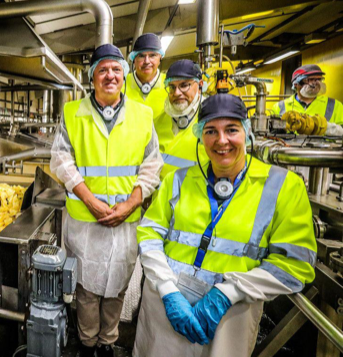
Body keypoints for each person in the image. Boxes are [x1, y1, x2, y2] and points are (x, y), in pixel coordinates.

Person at [134, 93, 316, 357]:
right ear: (200, 136)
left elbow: (296, 264)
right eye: (210, 131)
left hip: (230, 316)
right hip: (164, 311)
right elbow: (149, 234)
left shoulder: (283, 187)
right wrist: (167, 290)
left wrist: (228, 292)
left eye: (231, 129)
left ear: (247, 131)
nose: (221, 141)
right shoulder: (178, 180)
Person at [50, 44, 162, 357]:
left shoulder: (143, 115)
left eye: (115, 69)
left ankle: (107, 343)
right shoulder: (73, 113)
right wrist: (88, 199)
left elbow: (152, 164)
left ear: (124, 76)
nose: (109, 75)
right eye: (103, 70)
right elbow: (60, 159)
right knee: (86, 288)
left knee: (117, 287)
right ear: (93, 77)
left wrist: (132, 204)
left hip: (126, 220)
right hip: (86, 221)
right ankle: (87, 344)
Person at [154, 59, 208, 180]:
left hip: (197, 195)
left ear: (200, 85)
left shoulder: (211, 120)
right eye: (172, 87)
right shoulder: (158, 123)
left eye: (184, 85)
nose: (177, 93)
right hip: (162, 197)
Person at [269, 64, 343, 135]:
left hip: (325, 148)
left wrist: (320, 126)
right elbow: (271, 133)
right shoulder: (279, 106)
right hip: (288, 147)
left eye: (319, 79)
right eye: (310, 80)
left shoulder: (335, 105)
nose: (316, 83)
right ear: (296, 84)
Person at [127, 33, 169, 119]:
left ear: (160, 58)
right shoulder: (121, 85)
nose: (147, 61)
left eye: (152, 55)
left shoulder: (171, 84)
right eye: (141, 56)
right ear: (134, 59)